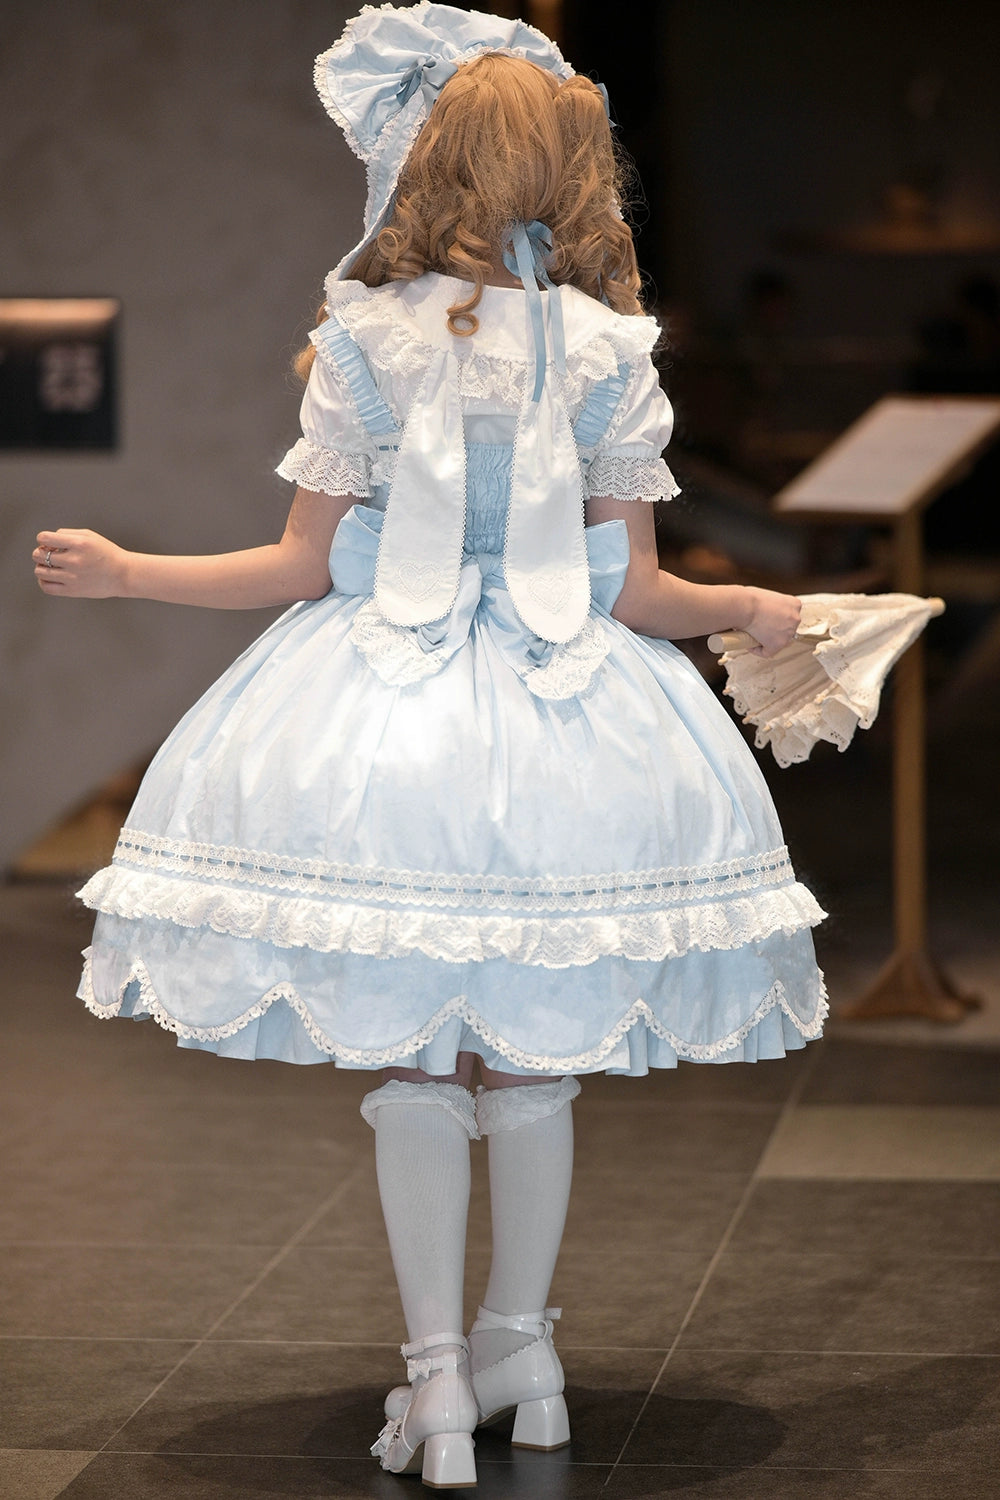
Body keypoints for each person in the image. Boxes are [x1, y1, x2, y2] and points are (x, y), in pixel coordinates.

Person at [33, 5, 826, 1489]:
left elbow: (297, 567)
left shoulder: (367, 338)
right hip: (571, 721)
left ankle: (442, 1382)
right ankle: (524, 1352)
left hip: (388, 724)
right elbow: (637, 593)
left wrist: (132, 572)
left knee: (422, 1054)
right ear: (573, 171)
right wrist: (751, 608)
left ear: (429, 159)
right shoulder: (609, 350)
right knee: (527, 1050)